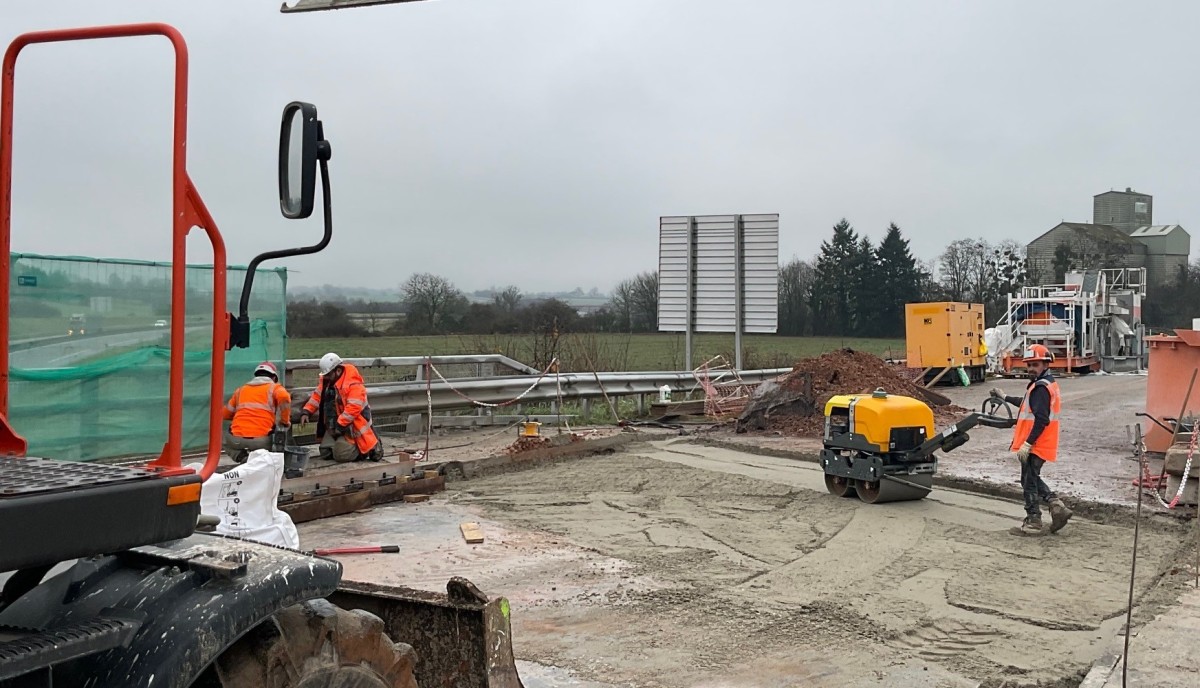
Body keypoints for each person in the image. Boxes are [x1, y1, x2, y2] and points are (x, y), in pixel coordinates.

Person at [990, 344, 1072, 534]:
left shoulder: (1041, 388)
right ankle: (1056, 506)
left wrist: (1027, 443)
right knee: (1030, 478)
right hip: (1043, 442)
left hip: (1036, 443)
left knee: (1028, 481)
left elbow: (1041, 418)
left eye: (1035, 364)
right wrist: (1005, 397)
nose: (1031, 369)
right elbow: (1028, 405)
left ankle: (1034, 521)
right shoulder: (1045, 384)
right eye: (1029, 365)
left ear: (1045, 364)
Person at [298, 352, 383, 463]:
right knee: (325, 452)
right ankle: (342, 444)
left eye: (328, 374)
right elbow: (317, 396)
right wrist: (307, 411)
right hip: (336, 426)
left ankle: (366, 449)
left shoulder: (353, 384)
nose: (326, 377)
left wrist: (340, 424)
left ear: (337, 371)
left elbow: (353, 408)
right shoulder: (327, 381)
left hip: (353, 427)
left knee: (341, 455)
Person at [222, 361, 291, 463]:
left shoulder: (240, 390)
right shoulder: (274, 388)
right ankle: (263, 463)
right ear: (274, 378)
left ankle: (243, 458)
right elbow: (284, 397)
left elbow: (225, 414)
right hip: (262, 441)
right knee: (276, 443)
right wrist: (285, 421)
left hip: (236, 440)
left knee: (225, 440)